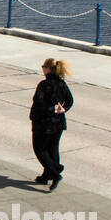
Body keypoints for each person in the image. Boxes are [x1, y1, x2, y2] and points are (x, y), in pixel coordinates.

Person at [29, 57, 74, 191]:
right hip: (58, 123)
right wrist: (63, 109)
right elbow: (70, 100)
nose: (42, 69)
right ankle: (46, 176)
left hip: (43, 123)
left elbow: (39, 102)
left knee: (40, 150)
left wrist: (50, 109)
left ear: (48, 69)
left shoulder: (44, 85)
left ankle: (55, 173)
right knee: (52, 149)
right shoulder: (62, 84)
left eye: (43, 67)